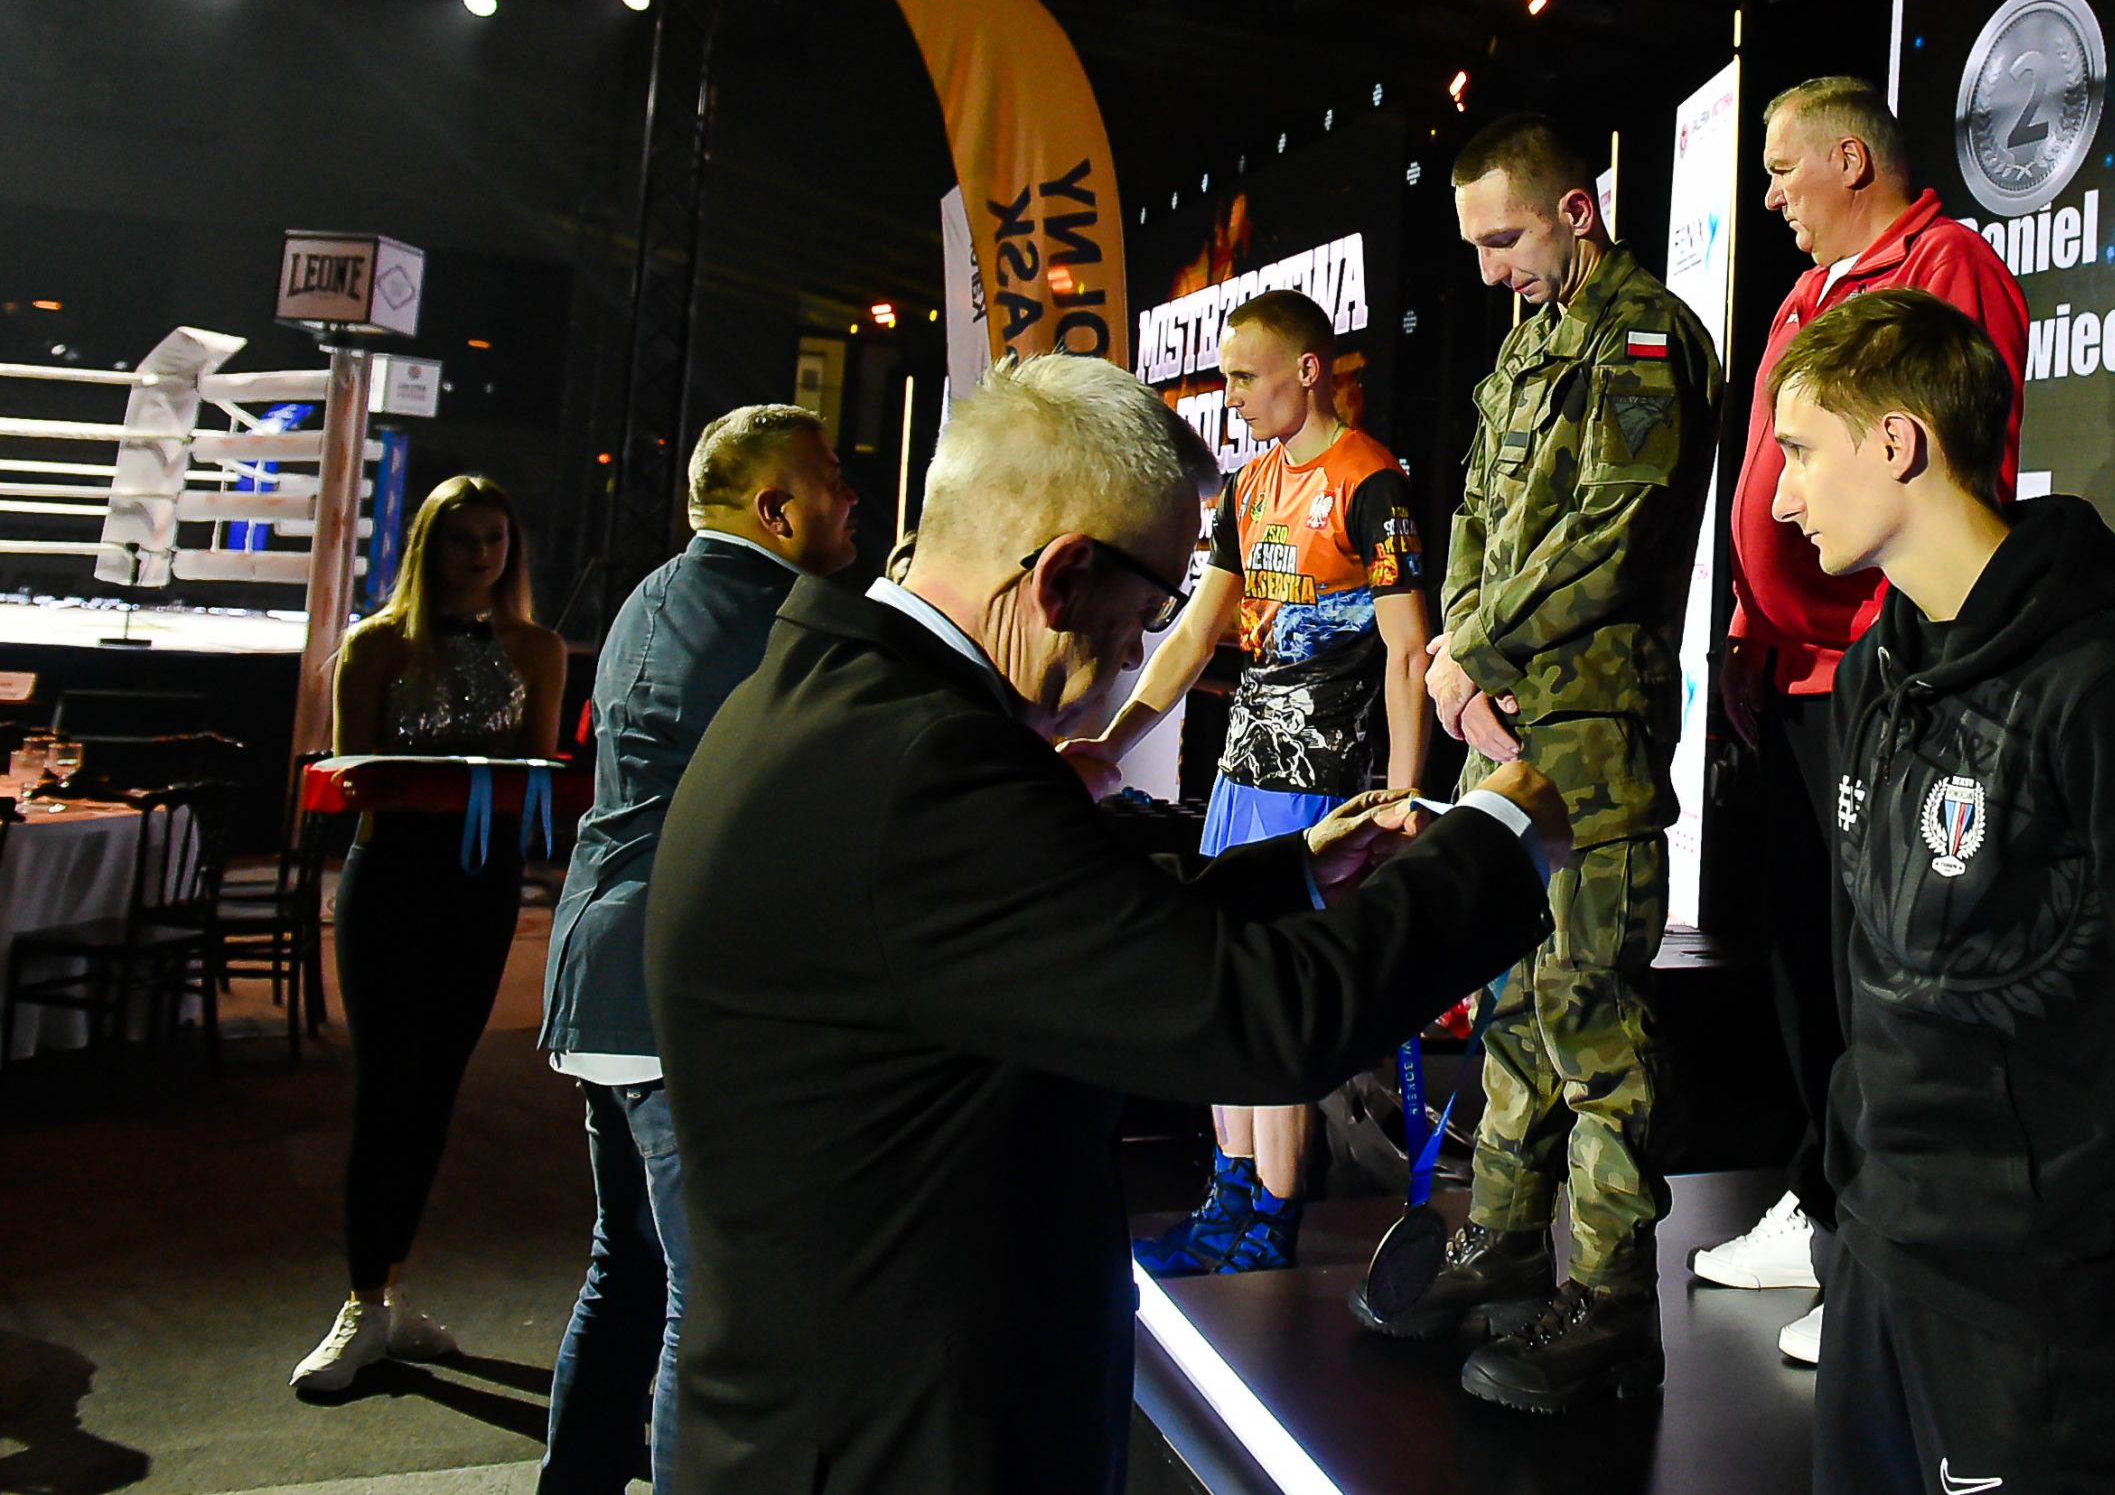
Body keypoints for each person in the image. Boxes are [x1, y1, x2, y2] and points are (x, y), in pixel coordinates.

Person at [645, 353, 1571, 1495]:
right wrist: (1497, 837)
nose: (1138, 651)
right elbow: (1263, 1020)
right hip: (906, 1447)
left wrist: (1292, 875)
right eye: (1144, 613)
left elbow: (1061, 931)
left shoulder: (841, 704)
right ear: (1063, 575)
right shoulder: (928, 768)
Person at [1765, 288, 2115, 1492]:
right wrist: (1845, 1189)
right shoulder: (1873, 678)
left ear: (1897, 443)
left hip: (2039, 1311)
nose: (1781, 498)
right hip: (1875, 1264)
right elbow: (1869, 977)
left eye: (1800, 451)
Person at [1349, 112, 1719, 1413]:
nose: (1488, 268)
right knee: (1509, 998)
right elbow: (1472, 515)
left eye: (1503, 238)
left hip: (1592, 734)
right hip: (1501, 723)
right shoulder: (1526, 343)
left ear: (1577, 209)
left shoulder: (1645, 334)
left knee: (1590, 1020)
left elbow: (1617, 529)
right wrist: (1459, 656)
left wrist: (1475, 651)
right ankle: (1503, 1241)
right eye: (1474, 245)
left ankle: (1612, 1304)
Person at [1694, 75, 2029, 1365]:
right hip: (1791, 677)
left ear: (1850, 160)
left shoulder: (1946, 266)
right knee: (1804, 956)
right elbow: (1768, 484)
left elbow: (1957, 482)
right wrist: (1747, 628)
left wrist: (1903, 648)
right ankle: (1825, 1201)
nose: (1769, 195)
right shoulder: (1804, 294)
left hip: (1880, 674)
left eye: (1783, 169)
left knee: (1888, 967)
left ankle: (1887, 1249)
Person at [1063, 289, 1431, 1278]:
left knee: (1277, 1000)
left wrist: (1401, 796)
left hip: (1318, 782)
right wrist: (1111, 740)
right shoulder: (1250, 485)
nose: (1228, 396)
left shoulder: (1372, 483)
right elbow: (1196, 633)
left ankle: (1270, 1212)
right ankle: (1227, 1197)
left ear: (1305, 370)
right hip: (1240, 773)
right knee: (1223, 982)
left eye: (1241, 377)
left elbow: (1408, 651)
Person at [533, 405, 858, 1490]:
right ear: (776, 510)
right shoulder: (786, 622)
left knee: (626, 1272)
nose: (850, 493)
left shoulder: (651, 595)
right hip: (673, 996)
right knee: (703, 1303)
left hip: (598, 978)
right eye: (829, 476)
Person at [291, 474, 567, 1391]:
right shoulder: (376, 643)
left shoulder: (537, 646)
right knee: (386, 1088)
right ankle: (361, 1300)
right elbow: (350, 774)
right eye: (462, 538)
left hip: (482, 883)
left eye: (495, 538)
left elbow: (540, 767)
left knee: (437, 1088)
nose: (480, 554)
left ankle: (391, 1290)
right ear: (428, 545)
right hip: (392, 876)